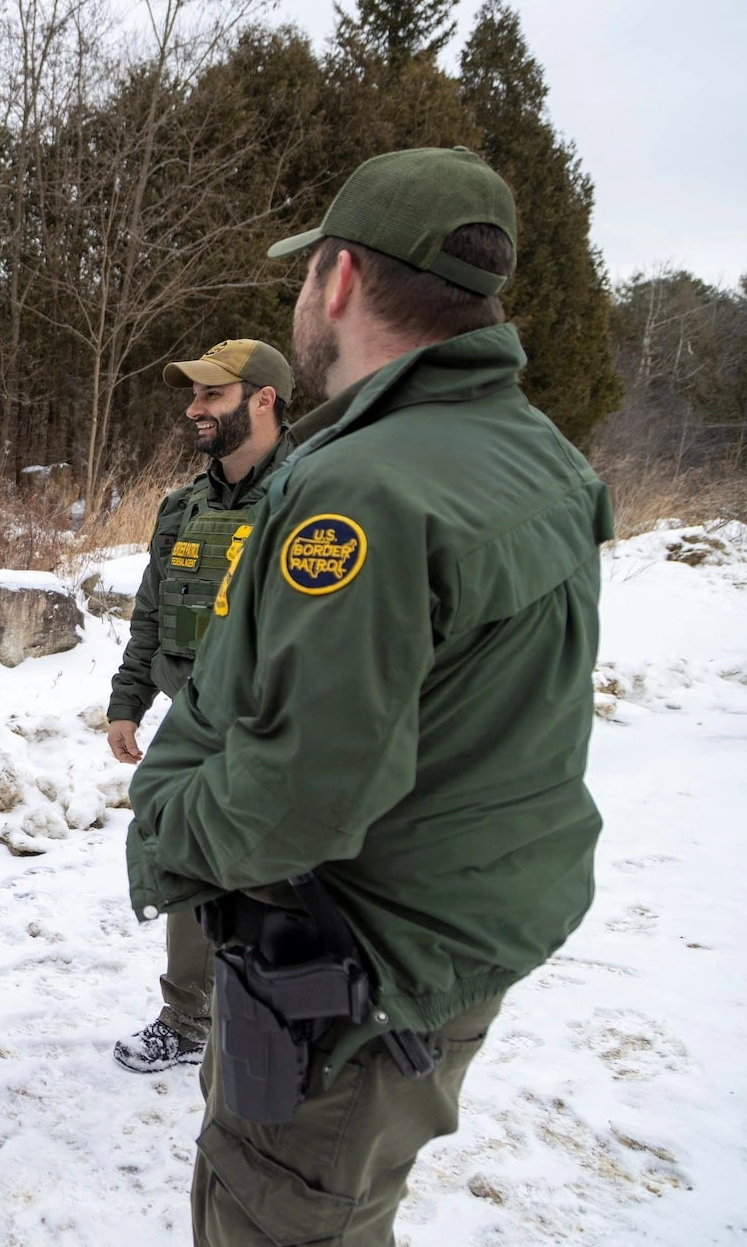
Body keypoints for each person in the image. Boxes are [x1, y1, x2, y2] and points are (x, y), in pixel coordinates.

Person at [125, 146, 612, 1245]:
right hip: (452, 937)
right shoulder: (536, 452)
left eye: (305, 277)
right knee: (349, 1209)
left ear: (339, 281)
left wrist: (167, 821)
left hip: (352, 965)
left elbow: (301, 794)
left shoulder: (364, 485)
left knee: (280, 1211)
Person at [104, 338, 295, 1075]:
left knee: (272, 882)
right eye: (194, 395)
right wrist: (129, 702)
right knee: (186, 867)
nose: (194, 409)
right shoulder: (182, 506)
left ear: (263, 400)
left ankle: (277, 1019)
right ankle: (188, 1017)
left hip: (273, 728)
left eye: (211, 395)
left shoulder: (312, 499)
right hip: (192, 724)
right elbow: (153, 613)